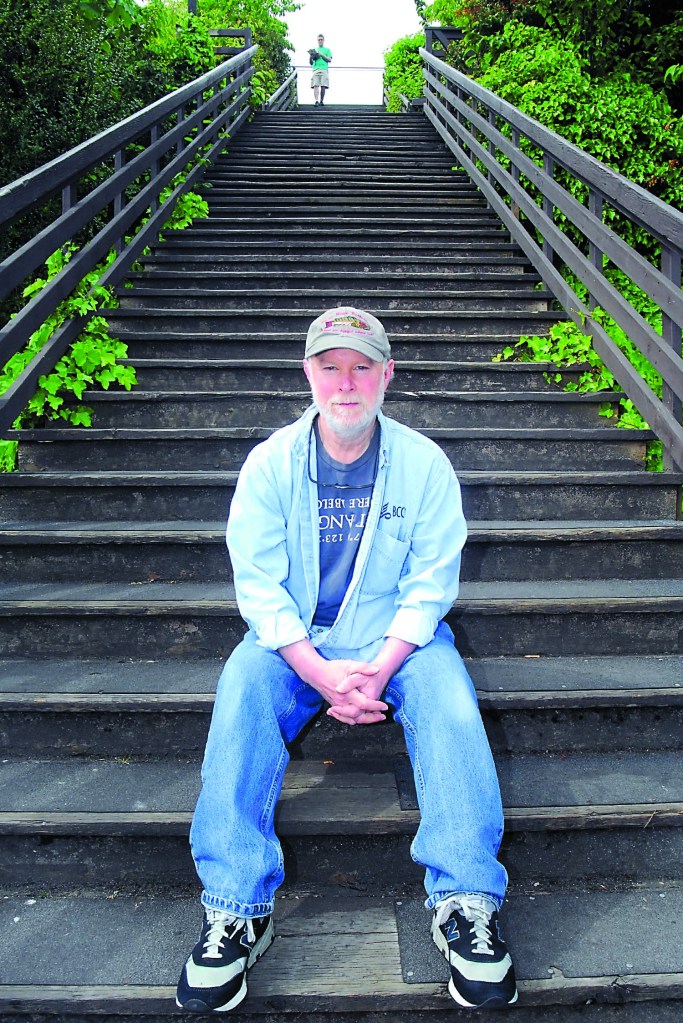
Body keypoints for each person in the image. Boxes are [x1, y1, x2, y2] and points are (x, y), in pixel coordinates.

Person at [176, 307, 518, 1014]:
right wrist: (320, 672)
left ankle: (465, 901)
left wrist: (380, 668)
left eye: (362, 366)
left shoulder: (424, 464)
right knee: (241, 687)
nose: (346, 382)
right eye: (330, 366)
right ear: (308, 373)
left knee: (452, 701)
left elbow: (431, 584)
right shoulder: (270, 464)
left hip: (398, 642)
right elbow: (258, 586)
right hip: (297, 643)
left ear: (387, 374)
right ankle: (235, 906)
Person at [309, 33, 332, 106]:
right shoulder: (315, 49)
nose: (320, 41)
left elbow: (329, 59)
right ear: (317, 41)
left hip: (324, 69)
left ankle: (321, 100)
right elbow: (311, 63)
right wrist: (311, 56)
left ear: (323, 40)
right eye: (319, 40)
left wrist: (321, 55)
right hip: (315, 69)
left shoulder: (327, 50)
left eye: (321, 40)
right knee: (315, 85)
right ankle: (316, 100)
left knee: (323, 85)